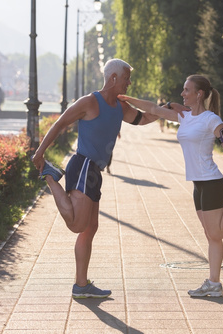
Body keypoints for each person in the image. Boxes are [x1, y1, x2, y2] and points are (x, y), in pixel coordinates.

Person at [118, 74, 223, 298]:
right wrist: (126, 98)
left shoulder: (212, 120)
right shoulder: (184, 116)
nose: (182, 94)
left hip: (212, 182)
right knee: (210, 235)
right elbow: (154, 109)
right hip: (198, 185)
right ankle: (213, 284)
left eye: (186, 90)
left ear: (199, 94)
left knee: (217, 233)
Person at [31, 59, 158, 299]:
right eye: (126, 78)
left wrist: (166, 111)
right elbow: (60, 123)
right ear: (113, 78)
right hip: (83, 165)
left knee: (90, 228)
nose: (129, 83)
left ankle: (81, 285)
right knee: (77, 225)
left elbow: (142, 119)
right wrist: (40, 152)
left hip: (95, 171)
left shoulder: (119, 107)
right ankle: (49, 175)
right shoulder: (90, 102)